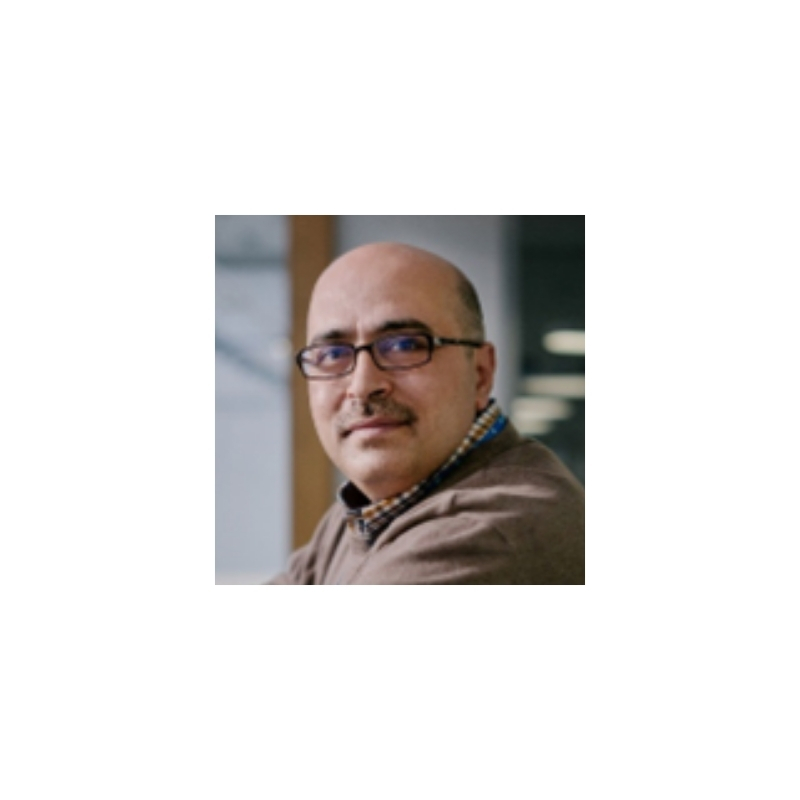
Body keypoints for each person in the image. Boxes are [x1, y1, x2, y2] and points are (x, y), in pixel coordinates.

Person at [267, 242, 584, 584]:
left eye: (404, 345)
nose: (361, 386)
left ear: (480, 374)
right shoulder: (372, 509)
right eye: (332, 354)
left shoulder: (488, 533)